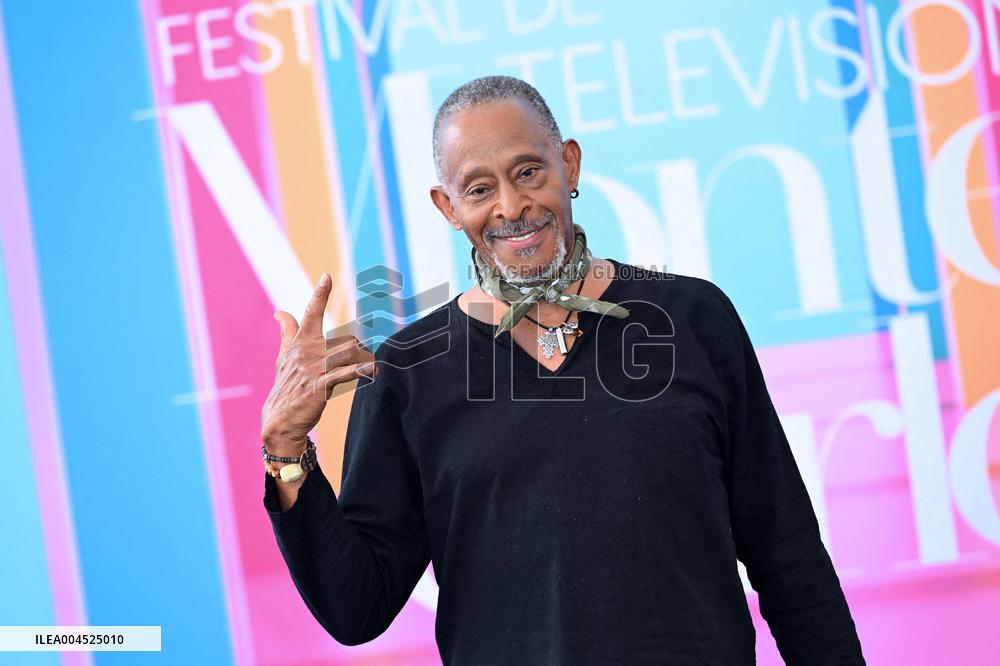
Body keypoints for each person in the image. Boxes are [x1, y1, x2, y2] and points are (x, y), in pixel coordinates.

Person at [260, 75, 866, 665]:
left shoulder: (694, 319)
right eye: (478, 189)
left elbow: (788, 555)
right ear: (448, 207)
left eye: (528, 171)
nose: (512, 206)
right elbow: (357, 608)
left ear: (569, 165)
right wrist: (287, 448)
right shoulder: (408, 373)